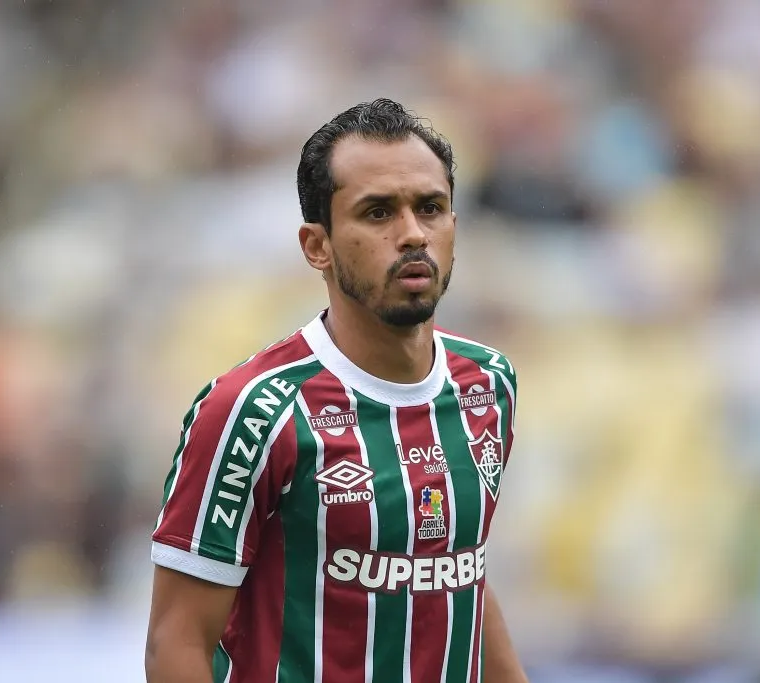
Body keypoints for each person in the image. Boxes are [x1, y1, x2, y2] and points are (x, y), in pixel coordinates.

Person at [145, 98, 527, 683]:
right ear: (316, 245)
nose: (412, 235)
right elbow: (176, 642)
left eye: (431, 208)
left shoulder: (488, 383)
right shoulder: (253, 412)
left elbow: (460, 579)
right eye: (378, 214)